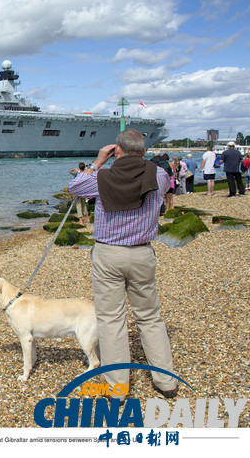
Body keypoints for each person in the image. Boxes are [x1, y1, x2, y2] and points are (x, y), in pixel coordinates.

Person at [68, 129, 178, 400]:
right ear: (144, 151)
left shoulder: (102, 178)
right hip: (142, 253)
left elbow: (75, 187)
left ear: (116, 150)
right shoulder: (159, 176)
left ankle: (117, 387)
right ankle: (166, 381)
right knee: (150, 317)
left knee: (111, 319)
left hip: (108, 254)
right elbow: (164, 182)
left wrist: (98, 162)